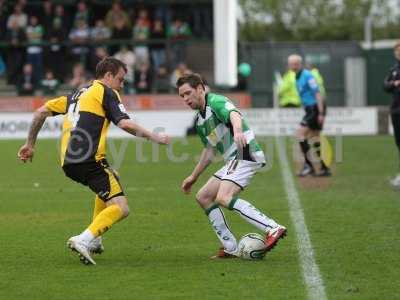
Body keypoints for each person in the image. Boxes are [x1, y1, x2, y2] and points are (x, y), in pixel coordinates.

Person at [18, 57, 170, 265]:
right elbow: (125, 123)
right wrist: (154, 137)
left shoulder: (76, 95)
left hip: (68, 162)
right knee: (121, 208)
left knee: (112, 177)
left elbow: (40, 112)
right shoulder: (106, 92)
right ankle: (84, 239)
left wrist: (30, 144)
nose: (122, 85)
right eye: (120, 79)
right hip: (89, 159)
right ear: (108, 76)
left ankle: (96, 240)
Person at [177, 73, 286, 258]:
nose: (186, 99)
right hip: (234, 159)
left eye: (188, 93)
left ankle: (273, 228)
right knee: (203, 196)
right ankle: (231, 248)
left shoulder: (216, 101)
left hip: (245, 152)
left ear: (200, 89)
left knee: (223, 196)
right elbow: (210, 152)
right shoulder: (199, 121)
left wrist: (237, 132)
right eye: (182, 96)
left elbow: (234, 114)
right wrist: (193, 177)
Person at [288, 54, 331, 177]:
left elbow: (317, 93)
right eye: (291, 64)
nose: (293, 66)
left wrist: (321, 113)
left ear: (300, 64)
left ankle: (309, 167)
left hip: (315, 109)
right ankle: (323, 168)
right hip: (310, 109)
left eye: (295, 63)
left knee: (300, 134)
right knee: (314, 137)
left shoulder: (307, 75)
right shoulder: (297, 76)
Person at [384, 41, 400, 189]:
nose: (398, 53)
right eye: (397, 51)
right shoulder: (393, 69)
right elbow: (385, 86)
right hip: (396, 110)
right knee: (399, 143)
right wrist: (394, 84)